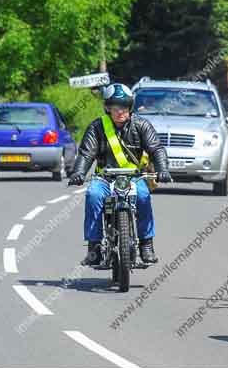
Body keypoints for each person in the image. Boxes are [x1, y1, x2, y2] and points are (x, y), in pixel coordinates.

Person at [68, 83, 172, 266]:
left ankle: (146, 245)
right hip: (104, 178)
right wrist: (78, 172)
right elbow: (86, 153)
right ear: (107, 108)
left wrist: (162, 169)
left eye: (124, 106)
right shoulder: (97, 127)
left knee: (143, 196)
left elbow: (156, 148)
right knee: (93, 195)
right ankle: (94, 248)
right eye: (115, 107)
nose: (120, 111)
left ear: (130, 107)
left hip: (134, 177)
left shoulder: (141, 125)